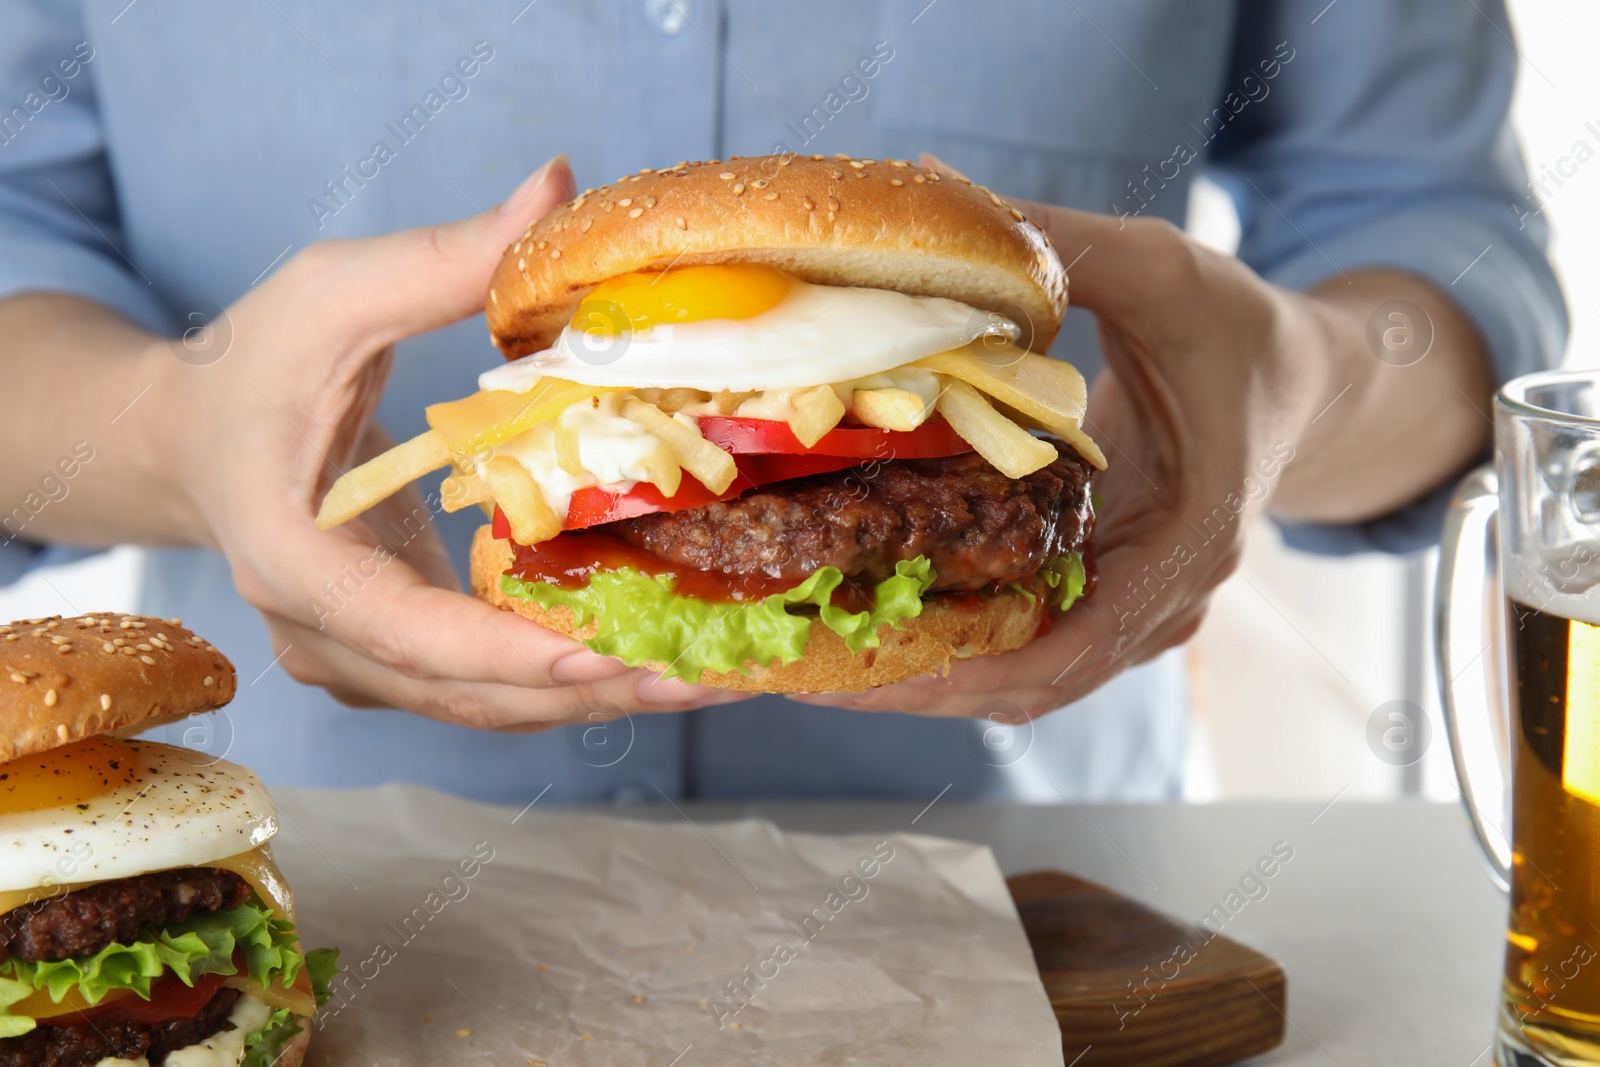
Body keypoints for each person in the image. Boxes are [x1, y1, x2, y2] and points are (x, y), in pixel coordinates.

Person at [0, 0, 1564, 803]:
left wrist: (1302, 383)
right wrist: (170, 428)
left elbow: (1436, 237)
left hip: (1061, 923)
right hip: (329, 898)